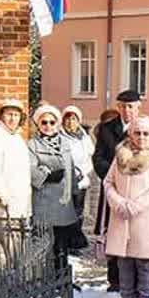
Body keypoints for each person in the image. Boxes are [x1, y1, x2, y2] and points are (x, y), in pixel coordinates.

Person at [103, 117, 149, 298]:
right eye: (137, 133)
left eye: (146, 133)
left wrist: (135, 206)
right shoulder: (120, 156)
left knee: (144, 263)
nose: (141, 137)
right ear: (130, 134)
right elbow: (108, 182)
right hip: (121, 215)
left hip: (145, 216)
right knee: (123, 261)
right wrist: (118, 203)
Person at [93, 90, 142, 292]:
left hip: (138, 191)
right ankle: (114, 280)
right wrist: (113, 177)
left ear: (139, 107)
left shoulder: (145, 129)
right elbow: (98, 158)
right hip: (113, 190)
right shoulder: (106, 129)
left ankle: (138, 284)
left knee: (137, 235)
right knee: (113, 233)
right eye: (123, 106)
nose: (127, 110)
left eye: (131, 106)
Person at [28, 104, 85, 271]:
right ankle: (45, 278)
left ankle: (62, 278)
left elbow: (71, 169)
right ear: (38, 124)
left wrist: (75, 194)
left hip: (64, 201)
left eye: (52, 122)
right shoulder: (32, 144)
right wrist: (46, 176)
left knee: (62, 244)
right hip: (44, 200)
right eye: (44, 122)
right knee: (45, 243)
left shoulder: (65, 143)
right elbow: (30, 168)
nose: (48, 126)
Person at [0, 97, 31, 220]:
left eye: (16, 115)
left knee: (19, 238)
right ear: (0, 116)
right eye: (9, 114)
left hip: (21, 200)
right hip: (5, 202)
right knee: (7, 238)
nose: (13, 119)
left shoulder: (17, 137)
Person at [61, 105, 93, 220]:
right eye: (67, 119)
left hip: (80, 181)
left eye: (73, 119)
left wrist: (82, 173)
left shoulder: (85, 138)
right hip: (64, 182)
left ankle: (76, 236)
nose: (70, 122)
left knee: (78, 212)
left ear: (78, 121)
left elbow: (89, 160)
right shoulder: (59, 137)